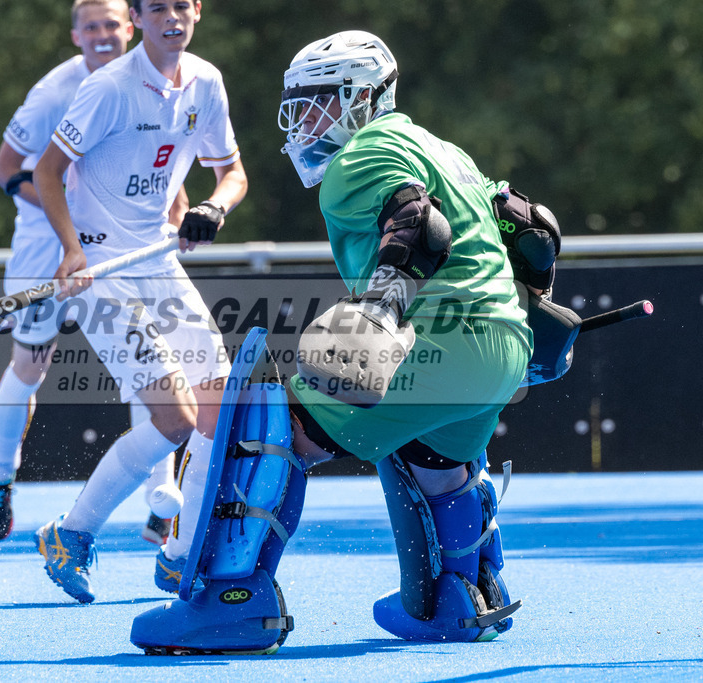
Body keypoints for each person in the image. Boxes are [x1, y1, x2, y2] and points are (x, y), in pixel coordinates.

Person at [133, 30, 556, 652]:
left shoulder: (361, 155)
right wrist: (532, 314)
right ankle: (462, 596)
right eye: (299, 106)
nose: (304, 121)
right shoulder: (444, 149)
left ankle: (232, 605)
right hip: (499, 349)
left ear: (363, 96)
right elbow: (532, 227)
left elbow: (419, 223)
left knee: (272, 422)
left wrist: (380, 311)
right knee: (436, 464)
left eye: (318, 102)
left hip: (437, 340)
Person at [32, 0, 248, 604]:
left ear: (197, 10)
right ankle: (71, 533)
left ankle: (181, 556)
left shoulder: (207, 82)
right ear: (138, 17)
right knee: (175, 418)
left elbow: (232, 172)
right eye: (157, 8)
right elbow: (48, 172)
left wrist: (213, 207)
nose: (171, 17)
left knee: (217, 405)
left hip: (158, 263)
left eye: (181, 5)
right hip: (103, 272)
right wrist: (71, 250)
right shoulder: (109, 89)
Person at [0, 0, 182, 545]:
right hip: (46, 251)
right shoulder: (53, 93)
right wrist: (68, 210)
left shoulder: (156, 79)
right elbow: (4, 170)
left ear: (129, 27)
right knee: (30, 367)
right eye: (90, 26)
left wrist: (177, 205)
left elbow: (164, 157)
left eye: (111, 24)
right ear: (76, 35)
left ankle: (161, 504)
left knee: (150, 366)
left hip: (118, 248)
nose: (103, 35)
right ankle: (0, 477)